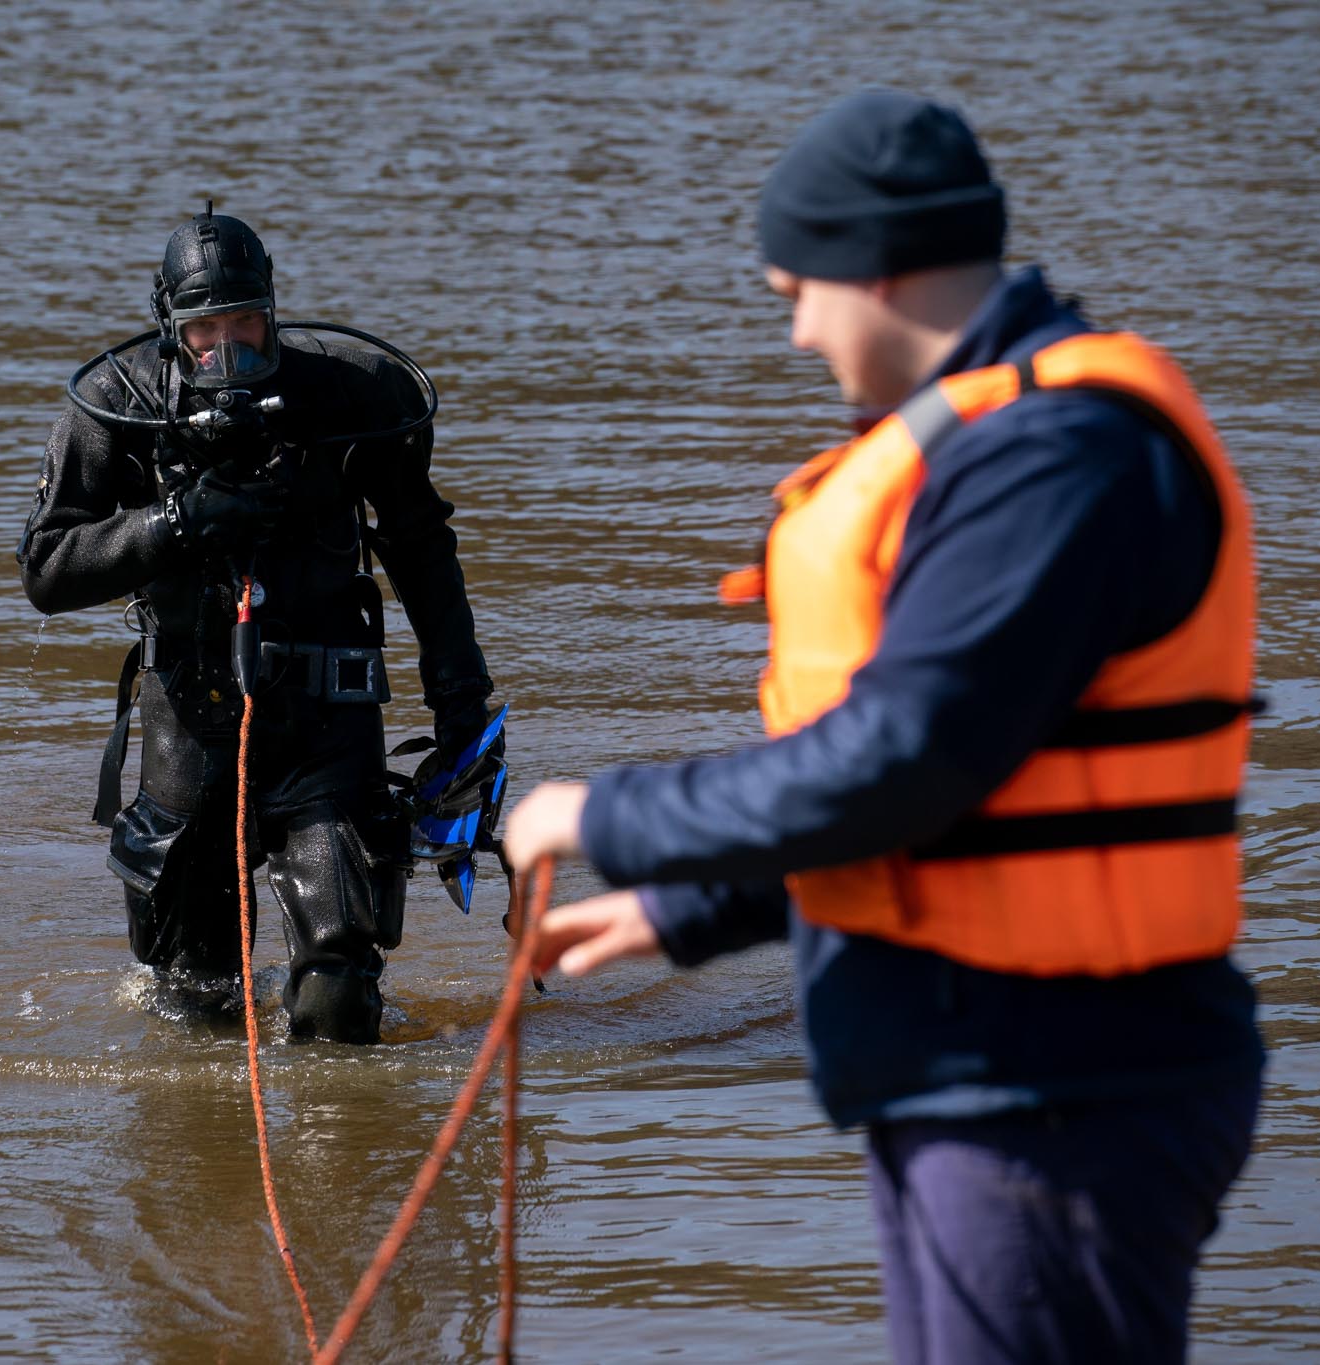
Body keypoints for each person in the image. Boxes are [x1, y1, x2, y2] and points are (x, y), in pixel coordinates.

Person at [503, 91, 1265, 1363]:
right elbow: (972, 784)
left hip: (1056, 1086)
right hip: (989, 1069)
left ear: (879, 266)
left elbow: (906, 757)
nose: (795, 329)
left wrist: (605, 815)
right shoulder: (996, 444)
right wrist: (694, 908)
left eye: (796, 289)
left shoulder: (1053, 456)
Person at [17, 208, 499, 1044]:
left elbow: (423, 551)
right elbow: (47, 568)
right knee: (197, 1002)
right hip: (191, 726)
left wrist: (463, 708)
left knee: (342, 998)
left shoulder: (353, 397)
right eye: (205, 329)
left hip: (327, 723)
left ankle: (343, 1156)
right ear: (172, 327)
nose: (228, 346)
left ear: (273, 309)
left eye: (245, 321)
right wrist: (172, 523)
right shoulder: (118, 404)